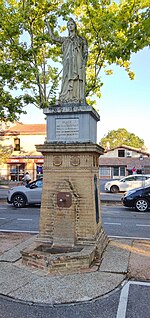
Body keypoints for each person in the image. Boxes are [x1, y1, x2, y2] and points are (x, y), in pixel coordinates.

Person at [45, 17, 88, 104]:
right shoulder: (65, 40)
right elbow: (53, 37)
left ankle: (77, 97)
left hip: (78, 62)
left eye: (71, 24)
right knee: (66, 78)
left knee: (77, 78)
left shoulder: (81, 39)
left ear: (75, 26)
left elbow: (85, 52)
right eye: (68, 25)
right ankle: (66, 98)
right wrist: (48, 26)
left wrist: (84, 63)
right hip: (68, 63)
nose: (70, 26)